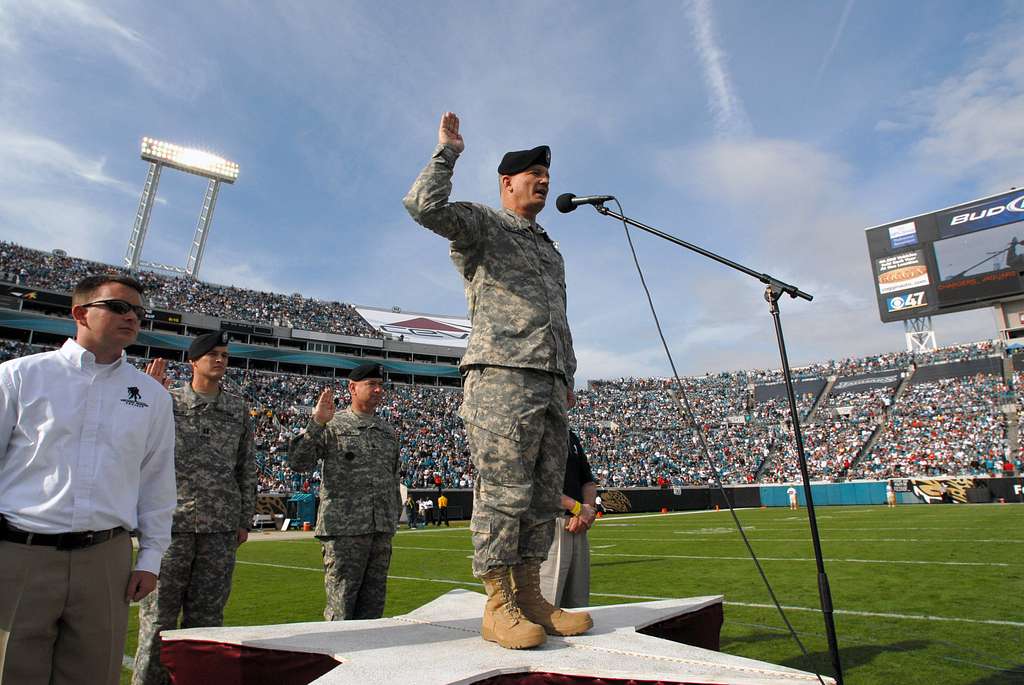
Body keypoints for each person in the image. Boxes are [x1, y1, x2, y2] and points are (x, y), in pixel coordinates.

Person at [404, 111, 591, 649]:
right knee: (504, 492)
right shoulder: (484, 225)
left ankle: (530, 592)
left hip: (551, 381)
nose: (545, 179)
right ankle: (497, 602)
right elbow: (423, 207)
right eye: (534, 172)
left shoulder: (549, 249)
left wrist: (567, 372)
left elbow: (558, 316)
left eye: (548, 173)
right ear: (507, 182)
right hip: (503, 376)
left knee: (539, 496)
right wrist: (448, 153)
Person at [0, 274, 176, 685]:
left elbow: (156, 482)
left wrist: (150, 558)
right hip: (21, 550)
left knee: (94, 675)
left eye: (138, 311)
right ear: (80, 312)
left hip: (106, 556)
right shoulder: (19, 377)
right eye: (118, 307)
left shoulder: (152, 395)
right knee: (11, 672)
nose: (131, 316)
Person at [132, 333, 256, 685]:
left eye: (225, 355)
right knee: (158, 621)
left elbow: (245, 467)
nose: (219, 360)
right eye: (212, 355)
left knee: (207, 622)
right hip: (170, 527)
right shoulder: (165, 402)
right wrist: (144, 400)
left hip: (219, 529)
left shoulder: (236, 410)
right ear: (193, 361)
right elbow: (135, 450)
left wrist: (243, 519)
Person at [288, 363, 401, 620]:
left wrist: (392, 517)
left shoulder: (387, 432)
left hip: (380, 531)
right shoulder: (333, 425)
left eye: (380, 385)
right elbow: (298, 462)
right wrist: (317, 422)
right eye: (371, 384)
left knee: (373, 612)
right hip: (343, 532)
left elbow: (393, 479)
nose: (378, 390)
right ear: (352, 387)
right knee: (341, 611)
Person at [539, 430, 598, 608]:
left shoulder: (570, 434)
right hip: (549, 523)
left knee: (578, 605)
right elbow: (535, 483)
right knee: (547, 603)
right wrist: (578, 508)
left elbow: (587, 480)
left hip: (578, 525)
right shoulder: (537, 428)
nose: (573, 399)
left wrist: (587, 511)